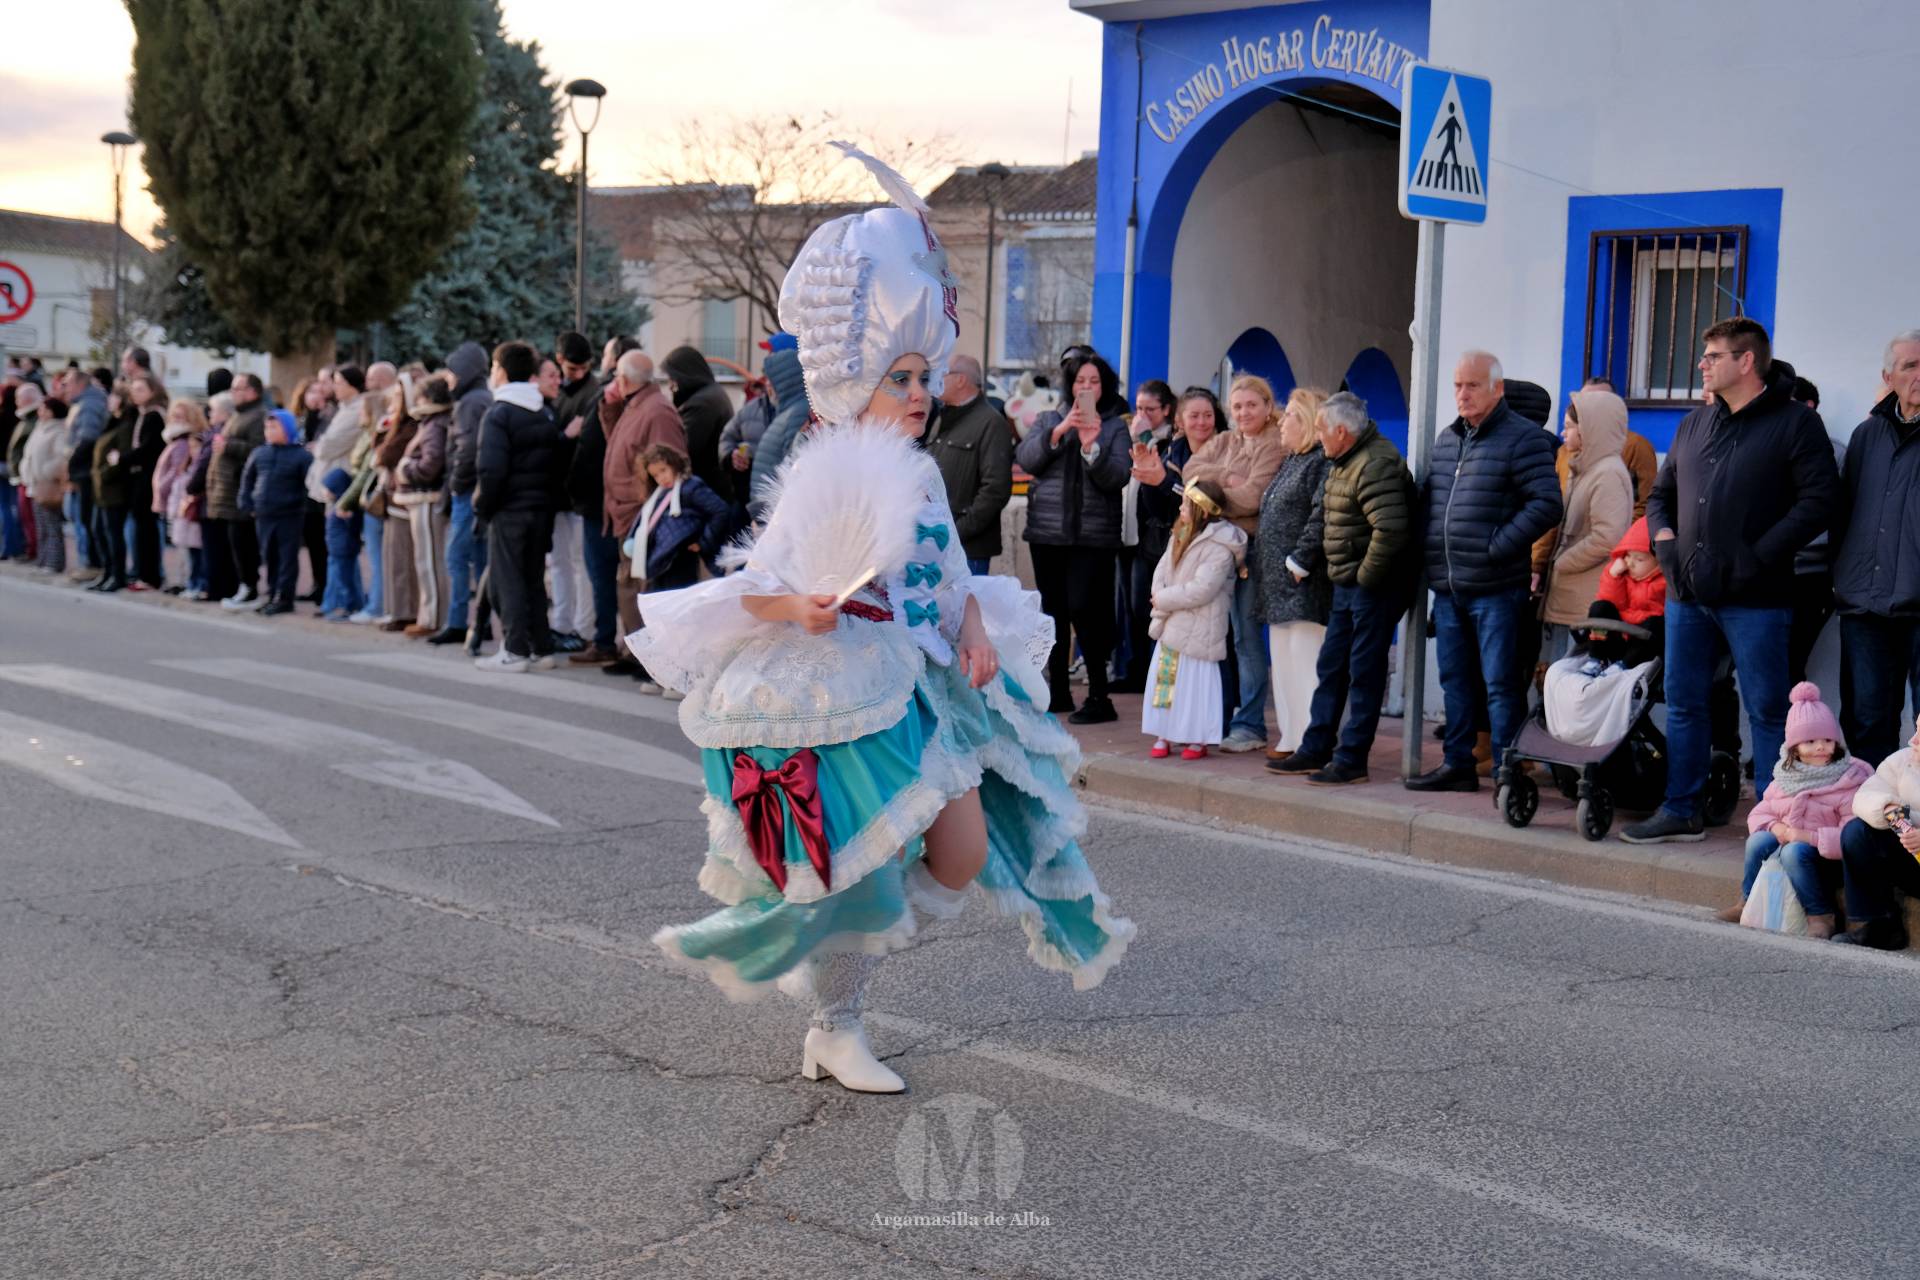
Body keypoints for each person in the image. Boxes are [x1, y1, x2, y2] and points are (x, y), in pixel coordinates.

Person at [635, 145, 1131, 1094]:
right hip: (839, 696)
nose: (917, 394)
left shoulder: (918, 474)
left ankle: (838, 957)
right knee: (854, 878)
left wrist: (976, 634)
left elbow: (948, 576)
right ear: (852, 378)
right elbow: (757, 586)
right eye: (900, 377)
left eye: (923, 376)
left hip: (918, 686)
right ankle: (838, 1021)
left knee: (961, 854)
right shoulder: (825, 473)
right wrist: (805, 608)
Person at [1622, 318, 1840, 843]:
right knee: (1685, 702)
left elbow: (1819, 502)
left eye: (1713, 355)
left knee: (1767, 710)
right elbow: (1660, 496)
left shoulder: (1794, 424)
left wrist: (1757, 555)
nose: (1702, 364)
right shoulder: (1695, 424)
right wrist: (1667, 545)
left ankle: (1774, 823)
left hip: (1758, 598)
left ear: (1746, 362)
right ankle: (1681, 809)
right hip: (1688, 593)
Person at [1407, 351, 1563, 793]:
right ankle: (1457, 764)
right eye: (1457, 385)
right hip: (1451, 586)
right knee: (1456, 681)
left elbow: (1547, 504)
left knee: (1500, 684)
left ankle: (1507, 772)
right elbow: (1435, 504)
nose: (1462, 394)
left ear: (1497, 389)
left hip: (1497, 588)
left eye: (1472, 385)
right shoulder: (1446, 439)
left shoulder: (1523, 438)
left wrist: (1498, 546)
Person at [1271, 392, 1415, 785]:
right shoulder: (1343, 459)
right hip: (1350, 584)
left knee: (1364, 673)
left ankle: (1352, 759)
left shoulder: (1375, 463)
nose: (1317, 437)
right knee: (1331, 666)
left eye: (1321, 429)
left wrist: (1365, 577)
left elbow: (1390, 530)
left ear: (1341, 431)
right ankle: (1316, 748)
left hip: (1374, 586)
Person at [1015, 350, 1132, 722]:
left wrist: (1090, 446)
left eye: (1093, 382)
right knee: (1054, 613)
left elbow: (1118, 476)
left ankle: (1100, 695)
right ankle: (1058, 691)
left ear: (1104, 387)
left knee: (1087, 610)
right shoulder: (1050, 418)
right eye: (1081, 381)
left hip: (1093, 537)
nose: (1086, 387)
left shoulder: (1115, 427)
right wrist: (1062, 431)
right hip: (1048, 534)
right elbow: (1027, 459)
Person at [1182, 375, 1293, 752]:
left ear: (1267, 406)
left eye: (1251, 405)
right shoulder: (1226, 440)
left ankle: (1250, 724)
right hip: (1219, 549)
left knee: (1246, 639)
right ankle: (1219, 715)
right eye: (1238, 406)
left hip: (1252, 551)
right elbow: (1190, 471)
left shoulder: (1274, 443)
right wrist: (1227, 475)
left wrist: (1213, 493)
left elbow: (1253, 498)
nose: (1244, 412)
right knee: (1216, 634)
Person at [1719, 682, 1870, 940]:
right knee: (1758, 841)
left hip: (1826, 860)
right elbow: (1760, 813)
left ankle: (1821, 915)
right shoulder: (1786, 778)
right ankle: (1746, 901)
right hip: (1789, 846)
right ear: (1794, 749)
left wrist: (1808, 837)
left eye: (1827, 740)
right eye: (1810, 741)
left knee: (1795, 851)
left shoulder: (1848, 779)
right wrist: (1776, 828)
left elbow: (1851, 832)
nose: (1820, 747)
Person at [1833, 330, 1920, 768]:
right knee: (1867, 720)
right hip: (1866, 605)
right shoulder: (1867, 435)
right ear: (1889, 376)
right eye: (1911, 366)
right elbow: (1844, 511)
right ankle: (1876, 825)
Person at [596, 348, 689, 679]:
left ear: (622, 379)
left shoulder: (657, 411)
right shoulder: (635, 405)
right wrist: (609, 408)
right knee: (629, 582)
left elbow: (671, 465)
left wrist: (654, 512)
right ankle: (634, 651)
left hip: (643, 514)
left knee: (643, 586)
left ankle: (650, 659)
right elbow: (620, 446)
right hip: (627, 511)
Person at [474, 341, 562, 673]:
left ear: (503, 371)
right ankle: (541, 647)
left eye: (495, 367)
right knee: (533, 578)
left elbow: (490, 470)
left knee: (508, 578)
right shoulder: (543, 411)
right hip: (541, 508)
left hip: (509, 509)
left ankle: (513, 649)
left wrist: (484, 507)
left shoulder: (499, 413)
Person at [1253, 388, 1331, 758]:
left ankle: (1311, 739)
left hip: (1303, 581)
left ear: (1310, 424)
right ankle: (1290, 735)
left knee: (1306, 663)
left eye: (1290, 418)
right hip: (1277, 583)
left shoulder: (1319, 461)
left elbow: (1320, 515)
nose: (1281, 423)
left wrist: (1300, 560)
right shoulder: (1292, 460)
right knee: (1283, 663)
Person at [1142, 480, 1243, 760]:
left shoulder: (1220, 546)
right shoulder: (1180, 533)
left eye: (1186, 504)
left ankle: (1197, 737)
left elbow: (1202, 589)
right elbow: (1162, 569)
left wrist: (1163, 600)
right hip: (1173, 622)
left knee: (1195, 684)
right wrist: (1158, 592)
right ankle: (1165, 731)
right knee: (1166, 681)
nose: (1180, 508)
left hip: (1200, 625)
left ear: (1203, 511)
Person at [1534, 389, 1633, 665]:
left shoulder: (1608, 473)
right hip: (1572, 593)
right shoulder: (1587, 468)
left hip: (1585, 595)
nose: (1563, 434)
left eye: (1569, 427)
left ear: (1590, 429)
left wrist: (1563, 562)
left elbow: (1607, 537)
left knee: (1573, 674)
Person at [624, 442, 731, 657]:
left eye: (663, 470)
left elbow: (720, 510)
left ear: (674, 464)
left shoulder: (691, 488)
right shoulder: (663, 494)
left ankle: (681, 664)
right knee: (664, 615)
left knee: (680, 616)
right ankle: (667, 663)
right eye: (655, 475)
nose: (661, 478)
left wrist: (704, 542)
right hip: (664, 561)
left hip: (682, 559)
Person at [1834, 710, 1920, 949]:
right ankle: (1880, 926)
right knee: (1857, 832)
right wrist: (1887, 807)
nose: (1913, 740)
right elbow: (1865, 796)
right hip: (1912, 861)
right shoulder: (1902, 760)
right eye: (1916, 729)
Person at [925, 352, 1014, 578]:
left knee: (965, 611)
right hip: (937, 542)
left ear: (961, 380)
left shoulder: (991, 423)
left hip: (968, 549)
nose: (936, 382)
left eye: (943, 374)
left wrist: (957, 531)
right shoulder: (942, 418)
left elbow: (995, 490)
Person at [1115, 380, 1178, 692]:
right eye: (1138, 408)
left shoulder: (1169, 442)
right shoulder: (1127, 435)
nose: (1142, 415)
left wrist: (1143, 437)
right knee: (1126, 607)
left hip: (1151, 538)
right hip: (1126, 533)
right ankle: (1134, 670)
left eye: (1150, 409)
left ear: (1166, 410)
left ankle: (1150, 673)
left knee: (1145, 607)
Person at [439, 341, 492, 645]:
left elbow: (467, 449)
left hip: (467, 491)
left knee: (456, 556)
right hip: (476, 489)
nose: (448, 378)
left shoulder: (471, 403)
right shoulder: (480, 398)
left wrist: (457, 484)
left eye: (451, 371)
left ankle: (458, 621)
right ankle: (481, 622)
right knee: (479, 558)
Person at [238, 409, 314, 616]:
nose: (269, 431)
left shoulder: (301, 456)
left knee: (287, 557)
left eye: (275, 427)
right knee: (269, 555)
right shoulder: (260, 453)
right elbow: (248, 480)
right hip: (264, 513)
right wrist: (247, 504)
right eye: (267, 427)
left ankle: (284, 597)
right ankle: (272, 594)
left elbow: (309, 485)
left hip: (289, 514)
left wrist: (301, 506)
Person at [394, 377, 453, 637]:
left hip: (427, 498)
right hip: (422, 498)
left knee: (429, 560)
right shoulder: (432, 423)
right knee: (426, 559)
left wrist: (406, 470)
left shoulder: (434, 425)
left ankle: (433, 617)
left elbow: (431, 464)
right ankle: (429, 614)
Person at [212, 373, 270, 609]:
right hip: (228, 490)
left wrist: (229, 446)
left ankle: (250, 588)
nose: (234, 392)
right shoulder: (239, 414)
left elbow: (258, 450)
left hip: (242, 490)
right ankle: (240, 586)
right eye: (233, 389)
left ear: (253, 391)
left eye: (239, 388)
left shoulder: (258, 416)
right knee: (234, 542)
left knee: (244, 543)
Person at [372, 381, 420, 632]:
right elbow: (377, 452)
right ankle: (396, 610)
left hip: (404, 501)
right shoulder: (396, 425)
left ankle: (406, 611)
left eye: (400, 396)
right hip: (392, 499)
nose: (395, 401)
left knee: (403, 560)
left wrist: (385, 438)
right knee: (393, 558)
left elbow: (386, 455)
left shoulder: (412, 427)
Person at [661, 345, 735, 501]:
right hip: (715, 487)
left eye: (672, 379)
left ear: (684, 376)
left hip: (707, 490)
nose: (670, 386)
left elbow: (684, 448)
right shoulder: (711, 394)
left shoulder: (701, 404)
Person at [151, 399, 208, 597]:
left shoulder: (183, 443)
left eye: (181, 416)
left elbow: (175, 475)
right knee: (182, 546)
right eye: (174, 415)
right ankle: (186, 581)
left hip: (181, 505)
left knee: (189, 548)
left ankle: (191, 582)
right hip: (174, 503)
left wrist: (162, 489)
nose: (176, 419)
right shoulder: (175, 441)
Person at [88, 382, 136, 592]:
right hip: (101, 488)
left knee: (113, 534)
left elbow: (120, 458)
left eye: (114, 397)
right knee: (99, 530)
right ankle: (106, 572)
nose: (109, 400)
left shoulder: (125, 426)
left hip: (114, 488)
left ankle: (117, 575)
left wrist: (105, 472)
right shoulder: (112, 423)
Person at [63, 367, 110, 577]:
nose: (65, 388)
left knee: (87, 519)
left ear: (80, 384)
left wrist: (71, 464)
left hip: (86, 470)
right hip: (83, 469)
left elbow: (87, 438)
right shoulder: (82, 403)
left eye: (68, 384)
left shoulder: (89, 404)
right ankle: (88, 562)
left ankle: (92, 563)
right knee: (82, 518)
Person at [124, 372, 168, 589]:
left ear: (153, 391)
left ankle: (149, 575)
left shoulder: (154, 416)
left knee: (147, 529)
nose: (135, 393)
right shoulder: (140, 413)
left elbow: (148, 450)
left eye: (141, 389)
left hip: (149, 477)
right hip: (140, 476)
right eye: (134, 389)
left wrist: (122, 459)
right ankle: (142, 572)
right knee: (141, 527)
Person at [20, 394, 69, 577]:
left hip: (48, 485)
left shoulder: (58, 431)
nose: (40, 412)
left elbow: (61, 458)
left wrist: (46, 471)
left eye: (43, 409)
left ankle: (54, 562)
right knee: (40, 524)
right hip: (35, 484)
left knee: (51, 525)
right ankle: (43, 559)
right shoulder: (40, 428)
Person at [318, 467, 366, 621]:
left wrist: (349, 517)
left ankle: (348, 607)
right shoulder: (335, 505)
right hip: (336, 549)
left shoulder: (345, 508)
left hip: (343, 549)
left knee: (344, 579)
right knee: (336, 578)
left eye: (327, 488)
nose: (325, 492)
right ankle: (331, 605)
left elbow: (355, 527)